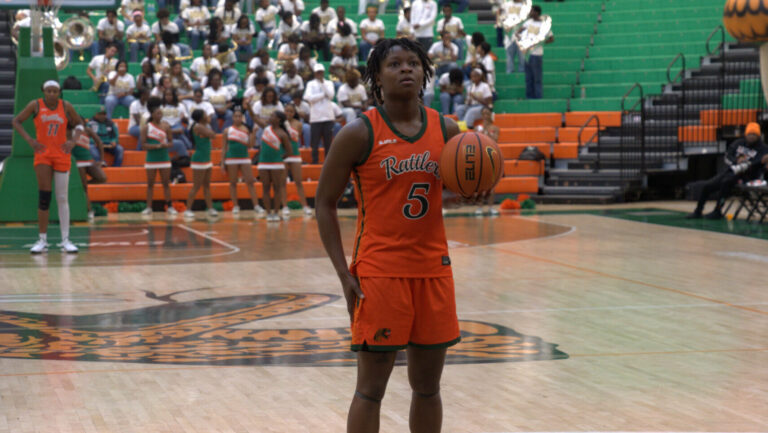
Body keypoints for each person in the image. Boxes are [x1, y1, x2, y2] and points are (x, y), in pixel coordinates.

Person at [315, 38, 461, 433]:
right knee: (370, 389)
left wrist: (475, 188)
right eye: (394, 64)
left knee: (428, 387)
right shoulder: (359, 133)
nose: (406, 69)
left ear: (425, 71)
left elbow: (459, 189)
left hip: (433, 271)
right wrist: (343, 273)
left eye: (413, 62)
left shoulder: (447, 129)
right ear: (377, 77)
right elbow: (324, 203)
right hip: (380, 274)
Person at [12, 80, 88, 253]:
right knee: (44, 197)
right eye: (49, 91)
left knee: (62, 197)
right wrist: (30, 140)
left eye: (55, 91)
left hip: (61, 154)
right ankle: (42, 240)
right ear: (43, 91)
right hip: (43, 154)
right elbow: (16, 121)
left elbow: (79, 123)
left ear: (59, 92)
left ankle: (65, 240)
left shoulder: (66, 106)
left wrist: (73, 141)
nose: (52, 94)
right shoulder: (35, 105)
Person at [687, 122, 768, 220]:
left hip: (747, 176)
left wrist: (747, 163)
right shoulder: (738, 143)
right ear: (746, 134)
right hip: (731, 171)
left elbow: (759, 163)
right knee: (707, 186)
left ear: (758, 136)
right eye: (749, 134)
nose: (751, 136)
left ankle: (717, 211)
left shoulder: (763, 149)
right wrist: (736, 161)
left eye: (754, 134)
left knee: (726, 183)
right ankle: (698, 211)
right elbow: (727, 156)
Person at [221, 108, 265, 216]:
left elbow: (250, 145)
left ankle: (256, 205)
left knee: (250, 181)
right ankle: (235, 206)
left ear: (242, 118)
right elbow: (224, 147)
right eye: (235, 116)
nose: (237, 118)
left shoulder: (246, 130)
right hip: (231, 158)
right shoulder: (227, 130)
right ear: (232, 118)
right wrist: (222, 163)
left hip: (244, 158)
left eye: (239, 116)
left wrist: (253, 133)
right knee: (233, 182)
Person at [140, 97, 177, 217]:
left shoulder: (166, 126)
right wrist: (156, 146)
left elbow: (171, 142)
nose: (160, 115)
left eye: (161, 113)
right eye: (157, 113)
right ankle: (148, 207)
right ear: (152, 114)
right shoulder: (146, 127)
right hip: (151, 159)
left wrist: (166, 145)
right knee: (150, 184)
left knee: (166, 183)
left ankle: (170, 206)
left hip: (164, 158)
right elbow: (143, 145)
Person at [258, 111, 293, 222]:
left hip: (277, 164)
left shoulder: (282, 134)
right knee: (265, 188)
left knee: (277, 188)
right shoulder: (266, 128)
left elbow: (290, 151)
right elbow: (254, 117)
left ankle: (276, 213)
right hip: (263, 163)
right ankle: (268, 213)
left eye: (273, 115)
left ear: (278, 120)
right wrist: (248, 107)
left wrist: (279, 157)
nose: (270, 116)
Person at [184, 109, 219, 218]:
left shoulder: (204, 126)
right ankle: (187, 209)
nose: (207, 115)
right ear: (201, 117)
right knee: (196, 186)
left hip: (206, 158)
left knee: (207, 186)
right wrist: (208, 124)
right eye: (205, 114)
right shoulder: (198, 126)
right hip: (199, 159)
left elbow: (212, 135)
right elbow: (213, 135)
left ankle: (210, 208)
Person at [281, 103, 313, 216]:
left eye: (291, 111)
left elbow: (295, 138)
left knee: (298, 181)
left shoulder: (298, 124)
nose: (288, 113)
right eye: (286, 111)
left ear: (294, 113)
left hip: (294, 154)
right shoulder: (280, 124)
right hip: (283, 154)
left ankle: (305, 206)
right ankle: (284, 207)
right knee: (282, 182)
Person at [72, 120, 108, 221]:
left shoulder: (88, 130)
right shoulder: (70, 131)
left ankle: (82, 184)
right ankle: (89, 211)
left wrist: (101, 160)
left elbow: (99, 142)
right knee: (84, 188)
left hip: (89, 160)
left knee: (102, 178)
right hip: (78, 161)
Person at [517, 5, 553, 99]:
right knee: (528, 78)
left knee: (537, 78)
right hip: (527, 53)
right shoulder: (528, 22)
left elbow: (551, 38)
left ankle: (538, 97)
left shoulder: (544, 25)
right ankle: (529, 97)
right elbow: (518, 32)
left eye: (532, 11)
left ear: (537, 12)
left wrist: (541, 43)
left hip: (537, 54)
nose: (530, 13)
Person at [304, 63, 335, 164]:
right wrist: (322, 95)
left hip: (328, 116)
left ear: (323, 72)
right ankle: (315, 161)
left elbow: (331, 95)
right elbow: (309, 98)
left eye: (321, 72)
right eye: (318, 72)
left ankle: (328, 162)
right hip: (316, 118)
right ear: (314, 73)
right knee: (315, 142)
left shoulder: (329, 83)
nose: (319, 74)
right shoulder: (310, 84)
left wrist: (323, 84)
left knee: (328, 142)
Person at [475, 106, 499, 216]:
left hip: (491, 158)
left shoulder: (495, 128)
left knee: (492, 185)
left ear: (490, 115)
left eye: (487, 113)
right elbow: (475, 142)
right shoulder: (477, 128)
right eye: (483, 113)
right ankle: (479, 207)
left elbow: (495, 141)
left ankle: (490, 207)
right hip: (481, 158)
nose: (485, 116)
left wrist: (486, 133)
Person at [203, 69, 235, 133]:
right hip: (212, 111)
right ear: (211, 81)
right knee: (213, 117)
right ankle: (216, 133)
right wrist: (217, 109)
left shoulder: (225, 89)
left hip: (223, 110)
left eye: (218, 80)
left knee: (230, 114)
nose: (216, 82)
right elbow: (205, 104)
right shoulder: (206, 91)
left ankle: (223, 133)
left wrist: (225, 108)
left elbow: (230, 103)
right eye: (214, 80)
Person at [502, 0, 527, 73]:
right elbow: (503, 18)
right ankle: (510, 71)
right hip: (510, 35)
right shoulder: (507, 5)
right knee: (509, 56)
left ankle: (522, 72)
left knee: (522, 57)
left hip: (521, 36)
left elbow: (527, 21)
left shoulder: (525, 5)